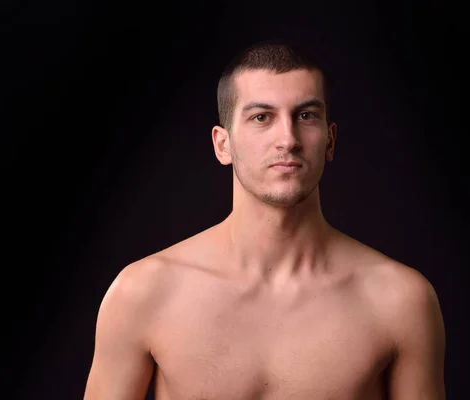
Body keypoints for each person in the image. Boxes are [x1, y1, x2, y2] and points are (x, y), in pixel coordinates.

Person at [84, 41, 446, 400]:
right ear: (222, 144)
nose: (287, 139)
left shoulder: (399, 301)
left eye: (306, 115)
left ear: (330, 141)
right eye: (262, 117)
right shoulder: (144, 294)